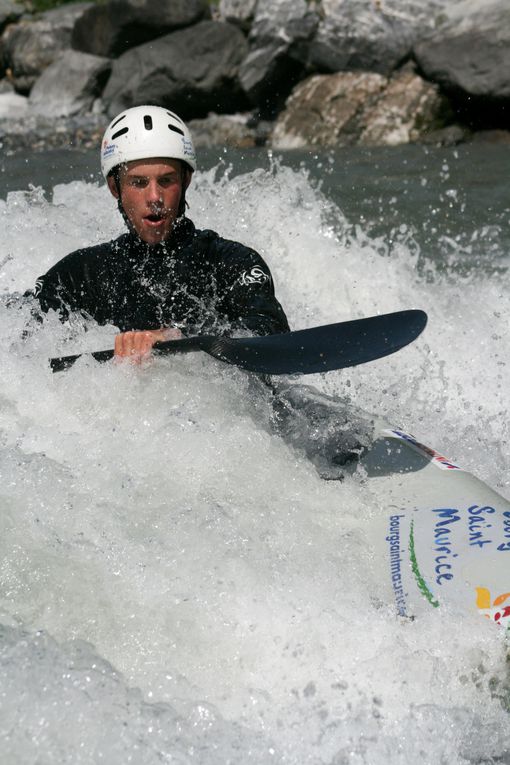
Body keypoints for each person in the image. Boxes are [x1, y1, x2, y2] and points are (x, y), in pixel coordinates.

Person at [32, 105, 289, 361]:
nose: (155, 197)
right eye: (139, 182)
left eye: (166, 181)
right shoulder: (82, 275)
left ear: (185, 181)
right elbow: (17, 333)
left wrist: (178, 336)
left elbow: (269, 331)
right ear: (115, 187)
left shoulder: (231, 262)